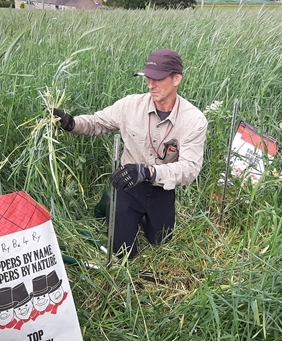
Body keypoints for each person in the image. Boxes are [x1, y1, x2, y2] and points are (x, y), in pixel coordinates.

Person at [51, 49, 208, 258]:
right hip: (128, 184)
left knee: (161, 241)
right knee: (124, 253)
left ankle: (141, 216)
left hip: (162, 188)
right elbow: (98, 122)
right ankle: (111, 202)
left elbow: (190, 169)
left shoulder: (194, 120)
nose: (151, 85)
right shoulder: (130, 105)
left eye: (159, 79)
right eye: (148, 78)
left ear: (176, 79)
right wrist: (71, 123)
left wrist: (148, 172)